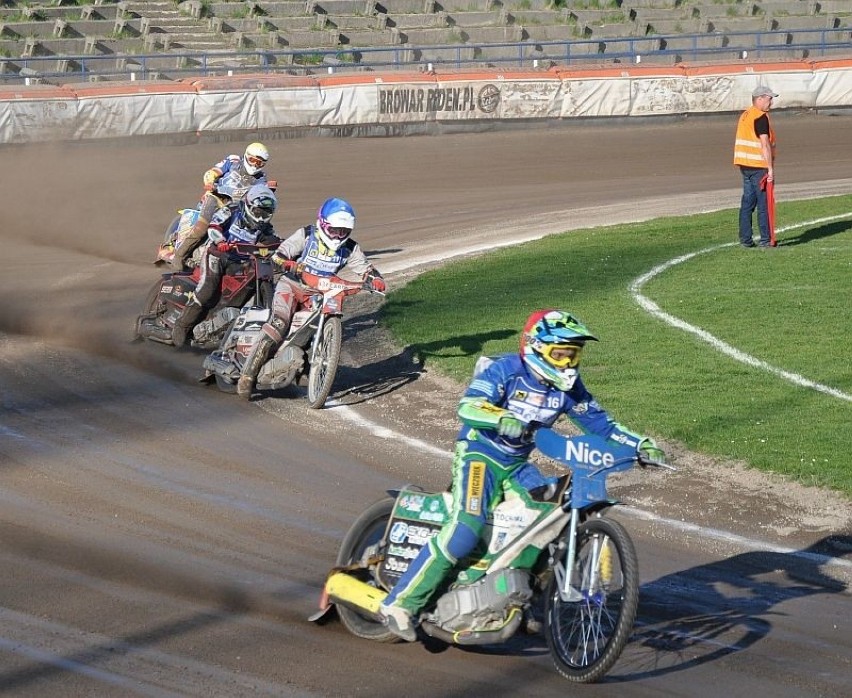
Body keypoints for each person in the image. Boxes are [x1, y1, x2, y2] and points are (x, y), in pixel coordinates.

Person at [378, 309, 666, 642]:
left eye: (574, 354)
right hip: (479, 456)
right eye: (560, 353)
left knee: (549, 519)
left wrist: (640, 444)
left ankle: (522, 597)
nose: (568, 363)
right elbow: (468, 406)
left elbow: (603, 426)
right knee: (466, 527)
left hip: (517, 464)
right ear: (536, 347)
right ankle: (399, 604)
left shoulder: (570, 389)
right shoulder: (506, 369)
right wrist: (499, 416)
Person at [235, 197, 386, 399]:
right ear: (323, 224)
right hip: (291, 286)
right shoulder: (306, 235)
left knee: (316, 328)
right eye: (335, 229)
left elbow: (365, 268)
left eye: (344, 231)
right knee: (279, 323)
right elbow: (279, 256)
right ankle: (247, 375)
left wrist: (374, 279)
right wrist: (290, 265)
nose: (339, 235)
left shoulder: (350, 248)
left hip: (319, 295)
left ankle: (307, 366)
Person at [169, 182, 281, 348]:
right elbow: (214, 226)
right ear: (250, 205)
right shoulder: (232, 211)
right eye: (260, 210)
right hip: (217, 255)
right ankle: (181, 326)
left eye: (267, 212)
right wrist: (220, 240)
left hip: (240, 263)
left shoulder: (265, 228)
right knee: (207, 289)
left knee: (245, 286)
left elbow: (273, 242)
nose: (263, 216)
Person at [171, 142, 272, 271]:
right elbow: (211, 173)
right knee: (202, 227)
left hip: (237, 208)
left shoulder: (261, 179)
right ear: (246, 156)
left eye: (259, 163)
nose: (255, 165)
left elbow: (255, 194)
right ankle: (179, 257)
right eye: (252, 160)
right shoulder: (233, 161)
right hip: (217, 199)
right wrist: (210, 183)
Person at [733, 85, 778, 248]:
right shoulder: (760, 117)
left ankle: (745, 239)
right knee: (763, 204)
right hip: (759, 166)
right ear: (759, 99)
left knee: (747, 203)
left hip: (745, 165)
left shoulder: (746, 115)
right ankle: (766, 240)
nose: (771, 102)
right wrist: (770, 168)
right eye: (769, 98)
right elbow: (764, 143)